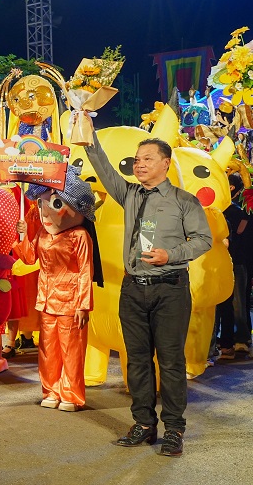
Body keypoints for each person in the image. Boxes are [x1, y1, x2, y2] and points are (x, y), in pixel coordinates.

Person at [81, 115, 212, 457]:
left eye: (147, 159)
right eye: (137, 160)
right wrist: (88, 134)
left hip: (170, 289)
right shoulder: (129, 194)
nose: (139, 164)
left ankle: (174, 429)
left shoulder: (184, 201)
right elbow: (105, 169)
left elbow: (203, 240)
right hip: (133, 290)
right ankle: (143, 424)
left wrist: (171, 254)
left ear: (165, 164)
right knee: (137, 361)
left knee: (170, 362)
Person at [16, 168, 102, 412]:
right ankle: (51, 390)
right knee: (47, 350)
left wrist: (84, 305)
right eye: (41, 204)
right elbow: (30, 258)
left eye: (55, 204)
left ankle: (71, 394)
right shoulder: (43, 233)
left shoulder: (79, 236)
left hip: (70, 301)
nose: (45, 212)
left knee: (71, 350)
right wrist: (23, 235)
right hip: (46, 299)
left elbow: (85, 271)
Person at [216, 173, 253, 359]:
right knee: (220, 304)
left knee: (237, 303)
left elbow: (240, 239)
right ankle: (224, 341)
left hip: (237, 262)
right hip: (218, 263)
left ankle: (241, 339)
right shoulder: (215, 210)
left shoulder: (239, 212)